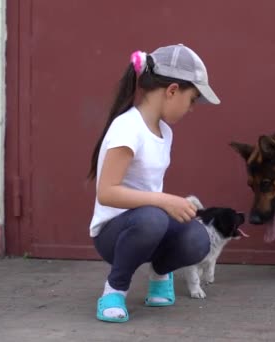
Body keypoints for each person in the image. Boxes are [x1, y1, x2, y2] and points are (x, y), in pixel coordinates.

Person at [87, 44, 221, 323]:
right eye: (192, 99)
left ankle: (160, 272)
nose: (191, 108)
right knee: (153, 219)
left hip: (148, 224)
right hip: (115, 234)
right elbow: (107, 192)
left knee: (198, 238)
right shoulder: (127, 128)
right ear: (172, 90)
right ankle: (114, 290)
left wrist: (173, 206)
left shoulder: (165, 133)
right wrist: (164, 201)